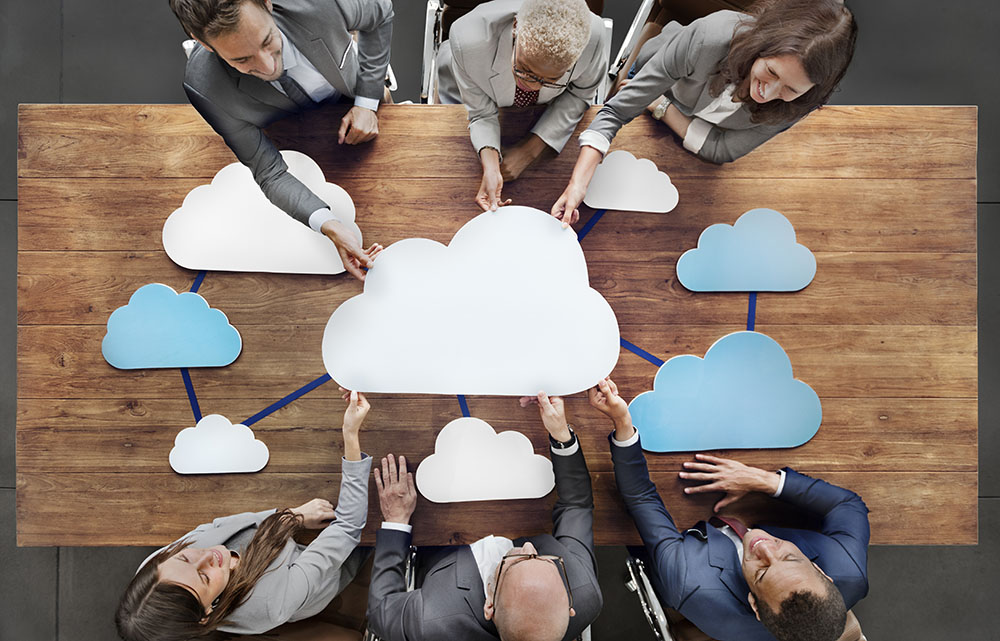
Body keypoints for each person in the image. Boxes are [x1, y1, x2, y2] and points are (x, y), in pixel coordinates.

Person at [589, 377, 870, 641]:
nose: (765, 547)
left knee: (627, 526)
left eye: (762, 572)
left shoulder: (690, 581)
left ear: (754, 606)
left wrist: (622, 421)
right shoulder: (849, 572)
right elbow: (848, 505)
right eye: (790, 558)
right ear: (822, 573)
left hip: (682, 556)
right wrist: (762, 480)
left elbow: (640, 497)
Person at [552, 0, 857, 225]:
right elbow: (616, 112)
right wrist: (577, 185)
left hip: (664, 105)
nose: (769, 93)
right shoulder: (710, 38)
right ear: (761, 45)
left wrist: (662, 107)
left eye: (790, 89)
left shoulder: (800, 101)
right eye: (771, 72)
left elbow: (722, 151)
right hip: (658, 73)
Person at [115, 390, 375, 641]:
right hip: (328, 569)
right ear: (206, 614)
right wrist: (350, 433)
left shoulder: (154, 572)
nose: (206, 555)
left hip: (288, 530)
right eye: (204, 577)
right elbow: (348, 526)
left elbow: (217, 526)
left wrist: (292, 517)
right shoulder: (271, 603)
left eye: (184, 557)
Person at [167, 0, 393, 279]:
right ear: (204, 44)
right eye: (242, 60)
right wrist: (329, 225)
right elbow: (269, 172)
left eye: (267, 40)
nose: (267, 65)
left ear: (267, 3)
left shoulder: (322, 4)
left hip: (359, 101)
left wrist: (367, 102)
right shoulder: (203, 86)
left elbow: (381, 13)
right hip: (297, 144)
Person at [366, 392, 603, 641]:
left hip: (441, 543)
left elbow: (380, 611)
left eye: (517, 561)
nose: (530, 547)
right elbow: (577, 505)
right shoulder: (584, 591)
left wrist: (396, 520)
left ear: (489, 604)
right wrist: (561, 435)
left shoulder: (433, 619)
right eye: (546, 560)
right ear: (570, 607)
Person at [436, 0, 610, 212]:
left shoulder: (594, 37)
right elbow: (481, 112)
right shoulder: (467, 41)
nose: (532, 85)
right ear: (516, 26)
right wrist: (491, 165)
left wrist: (528, 152)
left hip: (545, 115)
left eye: (551, 79)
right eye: (525, 69)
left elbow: (579, 94)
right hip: (466, 88)